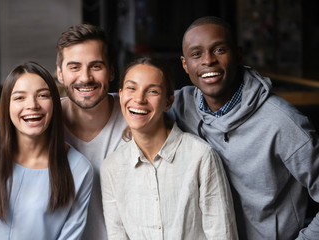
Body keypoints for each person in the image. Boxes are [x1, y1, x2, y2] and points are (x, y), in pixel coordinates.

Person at [0, 24, 127, 240]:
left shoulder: (136, 119)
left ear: (112, 70)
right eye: (74, 67)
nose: (85, 77)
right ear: (60, 73)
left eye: (96, 66)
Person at [168, 16, 319, 239]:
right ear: (185, 64)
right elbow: (131, 103)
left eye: (219, 50)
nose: (208, 60)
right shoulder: (180, 105)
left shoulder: (282, 122)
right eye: (196, 54)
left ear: (237, 54)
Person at [101, 57, 238, 239]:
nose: (139, 99)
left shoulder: (200, 155)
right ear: (121, 95)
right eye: (131, 88)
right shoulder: (111, 167)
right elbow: (117, 235)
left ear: (168, 101)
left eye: (153, 91)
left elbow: (222, 234)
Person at [0, 61, 93, 239]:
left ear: (55, 103)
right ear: (7, 105)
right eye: (19, 97)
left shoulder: (79, 169)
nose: (32, 105)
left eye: (43, 95)